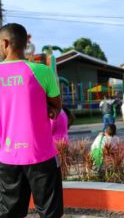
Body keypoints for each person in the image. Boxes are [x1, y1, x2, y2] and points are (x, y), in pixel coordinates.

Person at [0, 23, 63, 217]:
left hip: (7, 157)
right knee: (50, 213)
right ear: (25, 43)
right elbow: (56, 107)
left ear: (5, 43)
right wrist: (47, 108)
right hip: (41, 155)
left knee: (9, 213)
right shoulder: (42, 71)